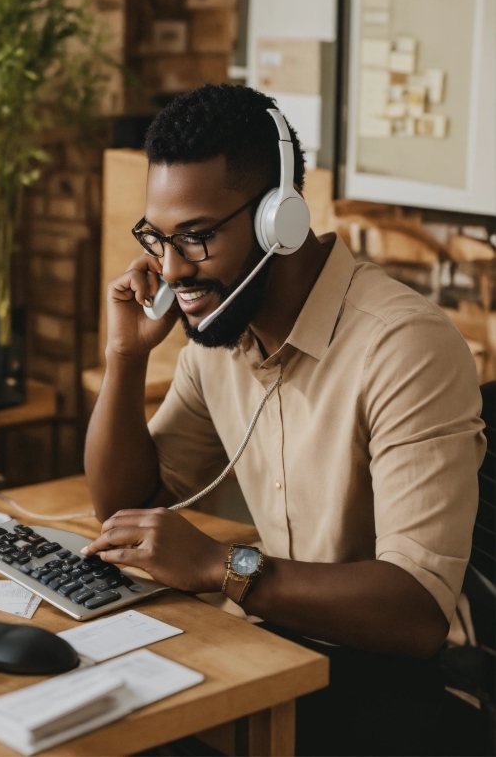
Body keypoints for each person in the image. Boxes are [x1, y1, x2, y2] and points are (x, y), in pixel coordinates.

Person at [83, 84, 485, 755]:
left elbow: (416, 612)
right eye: (160, 239)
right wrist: (123, 357)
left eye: (198, 238)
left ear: (282, 221)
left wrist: (221, 566)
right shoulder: (221, 336)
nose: (175, 269)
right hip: (271, 647)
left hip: (397, 684)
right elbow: (126, 509)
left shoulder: (404, 345)